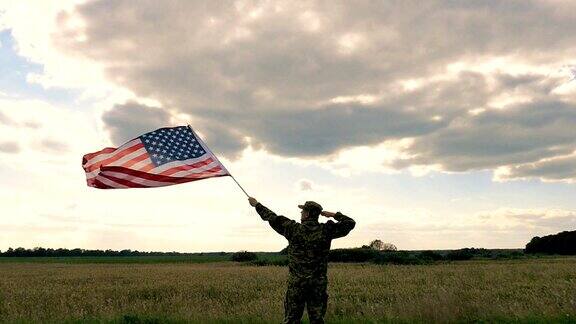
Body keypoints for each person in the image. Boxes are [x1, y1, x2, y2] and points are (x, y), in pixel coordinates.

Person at [248, 197, 356, 324]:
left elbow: (272, 217)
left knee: (291, 320)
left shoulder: (293, 229)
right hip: (317, 285)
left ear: (307, 214)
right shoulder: (326, 230)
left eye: (303, 211)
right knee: (317, 320)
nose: (301, 213)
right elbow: (350, 223)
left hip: (297, 285)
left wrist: (257, 205)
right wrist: (333, 215)